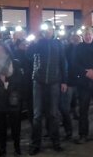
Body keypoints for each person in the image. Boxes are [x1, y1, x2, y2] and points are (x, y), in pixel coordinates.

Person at [28, 22, 68, 155]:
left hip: (54, 82)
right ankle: (35, 144)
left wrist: (64, 81)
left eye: (50, 29)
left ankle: (55, 142)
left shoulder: (58, 44)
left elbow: (63, 62)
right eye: (46, 29)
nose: (48, 32)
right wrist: (34, 42)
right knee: (37, 115)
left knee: (53, 114)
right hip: (39, 82)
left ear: (53, 31)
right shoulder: (39, 43)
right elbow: (29, 55)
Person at [0, 43, 24, 156]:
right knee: (1, 125)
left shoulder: (14, 62)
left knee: (15, 125)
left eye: (1, 50)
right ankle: (2, 147)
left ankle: (17, 147)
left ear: (6, 51)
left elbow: (20, 79)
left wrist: (8, 82)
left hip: (12, 97)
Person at [59, 33, 82, 140]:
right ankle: (68, 130)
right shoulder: (67, 49)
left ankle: (77, 131)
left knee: (75, 105)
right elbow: (65, 65)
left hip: (79, 82)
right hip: (69, 82)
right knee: (65, 107)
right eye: (74, 39)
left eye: (77, 38)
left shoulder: (82, 49)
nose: (76, 40)